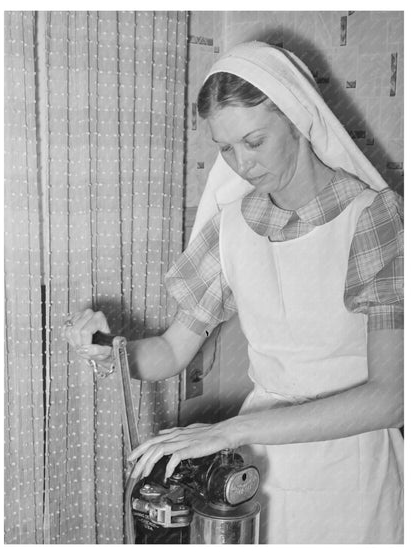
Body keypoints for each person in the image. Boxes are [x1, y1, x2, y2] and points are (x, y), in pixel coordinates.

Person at [64, 42, 404, 543]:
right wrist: (105, 350)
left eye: (255, 141)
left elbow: (391, 398)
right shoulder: (232, 226)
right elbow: (171, 350)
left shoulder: (371, 217)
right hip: (255, 471)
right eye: (226, 148)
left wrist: (229, 431)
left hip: (352, 468)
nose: (242, 164)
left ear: (297, 118)